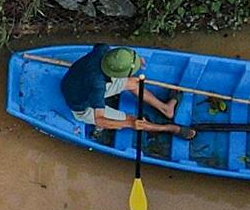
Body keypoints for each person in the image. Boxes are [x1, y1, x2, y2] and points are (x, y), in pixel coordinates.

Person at [60, 45, 194, 140]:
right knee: (134, 120)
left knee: (133, 83)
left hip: (76, 81)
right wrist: (129, 124)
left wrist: (135, 59)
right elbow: (99, 120)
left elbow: (115, 53)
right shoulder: (98, 87)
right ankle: (168, 128)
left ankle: (166, 109)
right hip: (81, 105)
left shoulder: (102, 49)